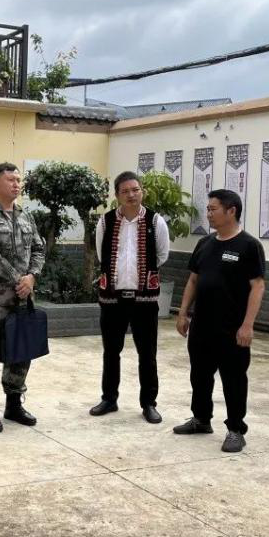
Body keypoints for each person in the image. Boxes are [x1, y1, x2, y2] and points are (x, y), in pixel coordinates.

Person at [174, 189, 265, 453]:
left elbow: (257, 286)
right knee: (199, 375)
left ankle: (236, 429)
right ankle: (201, 419)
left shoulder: (249, 245)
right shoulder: (205, 243)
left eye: (213, 209)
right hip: (202, 325)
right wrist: (182, 313)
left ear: (231, 211)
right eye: (209, 209)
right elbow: (193, 279)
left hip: (233, 328)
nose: (209, 214)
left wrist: (248, 325)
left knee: (234, 379)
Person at [89, 171, 171, 424]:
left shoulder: (156, 222)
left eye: (135, 190)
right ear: (117, 195)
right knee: (111, 351)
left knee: (148, 353)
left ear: (142, 191)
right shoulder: (106, 221)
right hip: (112, 298)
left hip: (144, 299)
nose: (131, 195)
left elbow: (162, 255)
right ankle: (109, 398)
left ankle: (149, 403)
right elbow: (103, 256)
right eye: (125, 191)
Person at [0, 162, 46, 432]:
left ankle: (14, 403)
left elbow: (39, 248)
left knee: (21, 349)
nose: (16, 184)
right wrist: (19, 279)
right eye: (10, 179)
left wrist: (32, 277)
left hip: (23, 297)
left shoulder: (26, 217)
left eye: (18, 179)